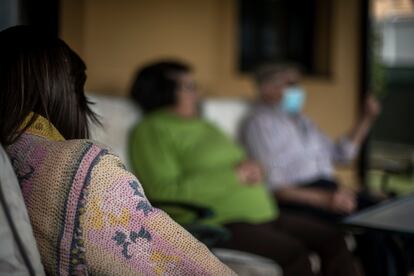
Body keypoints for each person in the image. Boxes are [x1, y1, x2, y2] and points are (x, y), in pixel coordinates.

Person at [0, 26, 234, 275]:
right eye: (189, 86)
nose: (197, 93)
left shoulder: (13, 149)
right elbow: (184, 265)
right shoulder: (84, 169)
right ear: (65, 94)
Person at [128, 60, 361, 276]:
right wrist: (235, 176)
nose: (197, 92)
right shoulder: (151, 130)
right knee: (295, 255)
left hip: (264, 213)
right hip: (221, 223)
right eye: (189, 86)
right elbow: (163, 190)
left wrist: (254, 169)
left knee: (333, 238)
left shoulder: (204, 125)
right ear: (165, 92)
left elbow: (238, 165)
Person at [241, 63, 381, 222]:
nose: (298, 91)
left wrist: (366, 119)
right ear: (266, 89)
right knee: (373, 225)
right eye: (291, 84)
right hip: (299, 199)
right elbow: (275, 187)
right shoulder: (260, 124)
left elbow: (342, 155)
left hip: (329, 190)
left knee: (384, 210)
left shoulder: (303, 121)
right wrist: (325, 200)